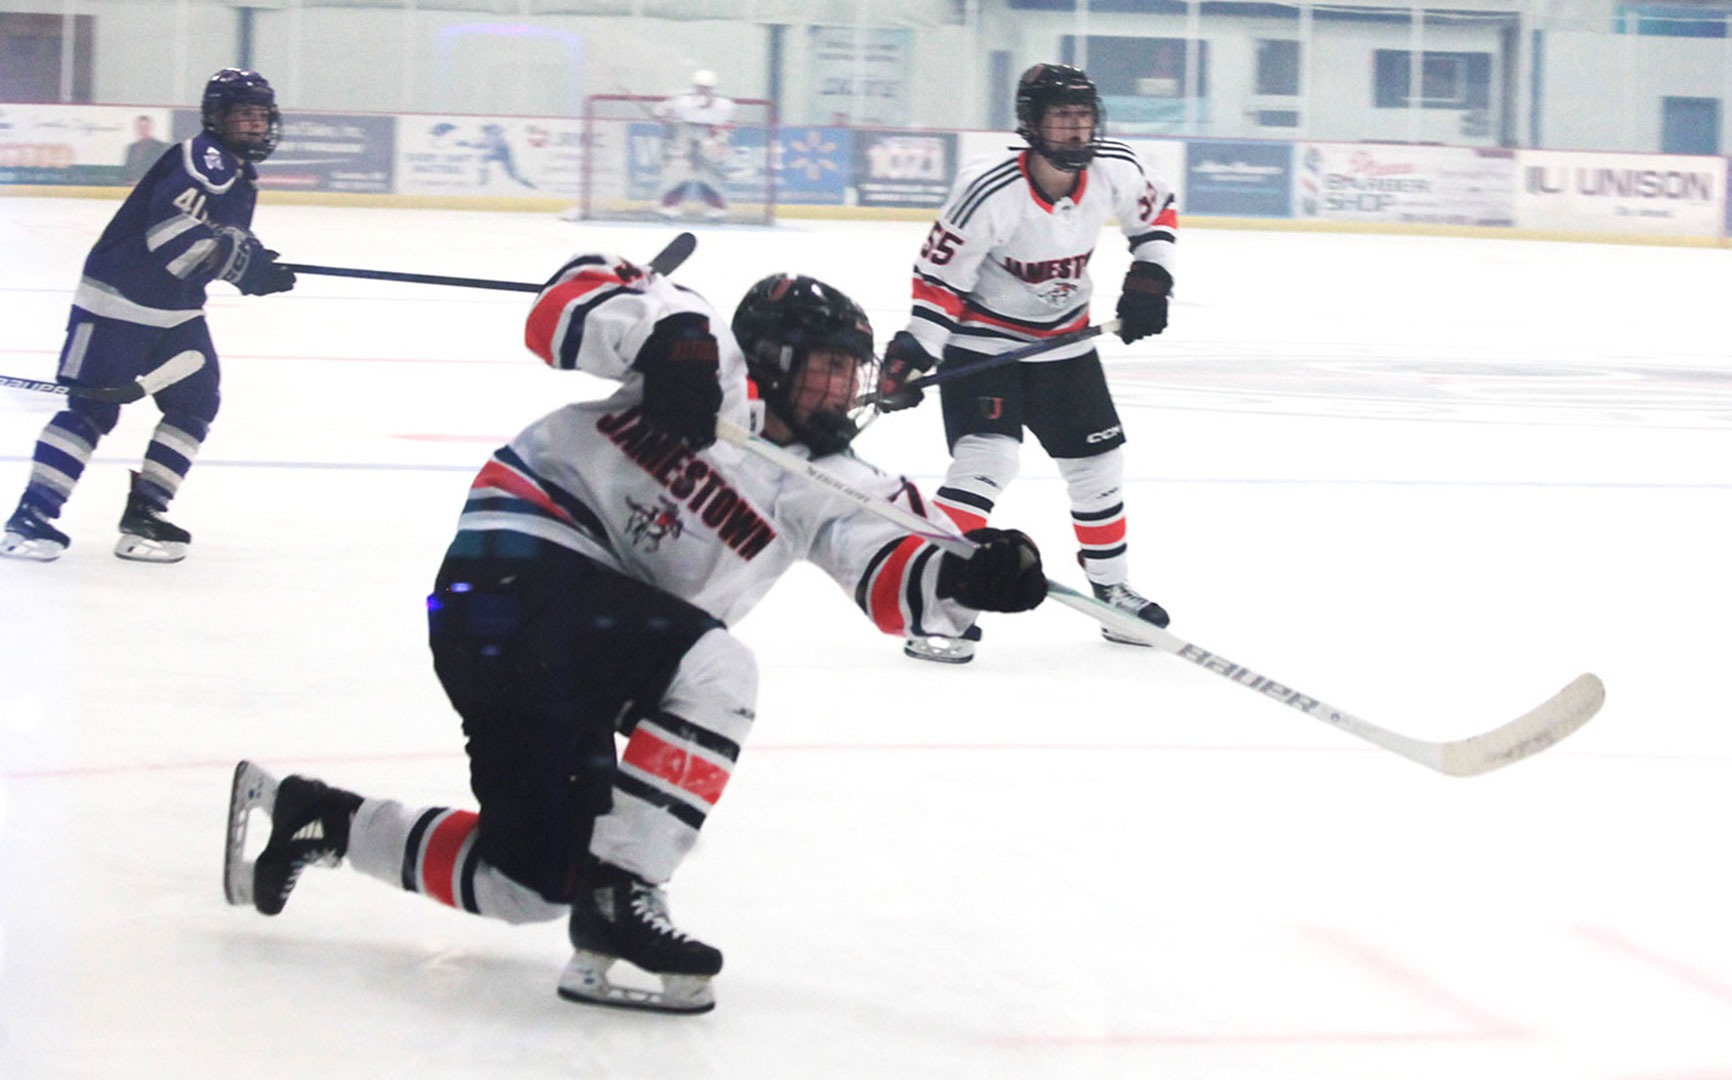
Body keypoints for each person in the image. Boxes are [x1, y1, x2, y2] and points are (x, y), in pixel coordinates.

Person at [222, 254, 1049, 1014]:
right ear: (769, 357)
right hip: (512, 574)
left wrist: (977, 573)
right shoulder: (711, 361)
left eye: (850, 374)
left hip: (570, 656)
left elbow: (903, 575)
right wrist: (675, 342)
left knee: (531, 882)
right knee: (719, 670)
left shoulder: (838, 486)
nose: (842, 392)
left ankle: (319, 819)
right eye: (826, 369)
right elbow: (566, 303)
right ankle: (627, 895)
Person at [874, 62, 1178, 664]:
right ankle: (939, 607)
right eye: (1062, 118)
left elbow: (1156, 214)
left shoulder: (1115, 167)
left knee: (1097, 466)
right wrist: (914, 352)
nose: (1076, 130)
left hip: (1064, 345)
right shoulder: (989, 190)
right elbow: (938, 284)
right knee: (989, 461)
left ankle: (1112, 592)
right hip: (983, 345)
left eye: (1084, 117)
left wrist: (1152, 274)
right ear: (1031, 125)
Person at [0, 68, 295, 564]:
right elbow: (171, 238)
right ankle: (29, 518)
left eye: (261, 116)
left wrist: (254, 264)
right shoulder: (202, 159)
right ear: (217, 118)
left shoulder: (237, 169)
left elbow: (217, 237)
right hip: (116, 303)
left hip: (175, 312)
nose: (254, 125)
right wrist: (242, 268)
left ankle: (145, 515)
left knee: (196, 402)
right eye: (243, 115)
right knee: (91, 411)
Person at [651, 69, 736, 220]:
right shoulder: (681, 100)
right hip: (684, 134)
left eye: (706, 88)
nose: (702, 91)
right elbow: (660, 111)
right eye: (700, 87)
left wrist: (719, 140)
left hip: (710, 135)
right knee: (681, 172)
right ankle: (669, 204)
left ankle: (717, 206)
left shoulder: (724, 105)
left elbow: (726, 125)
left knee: (708, 174)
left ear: (712, 89)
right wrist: (667, 118)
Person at [120, 114, 168, 184]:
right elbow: (127, 170)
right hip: (131, 186)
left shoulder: (161, 147)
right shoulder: (132, 148)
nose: (143, 130)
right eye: (140, 127)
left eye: (146, 127)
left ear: (151, 127)